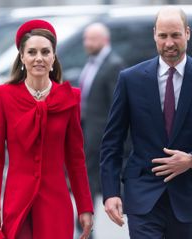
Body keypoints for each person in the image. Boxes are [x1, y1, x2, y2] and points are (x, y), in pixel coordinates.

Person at [100, 6, 192, 239]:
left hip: (188, 198)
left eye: (176, 35)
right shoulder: (130, 79)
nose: (169, 43)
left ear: (188, 33)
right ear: (154, 34)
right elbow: (112, 141)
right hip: (142, 197)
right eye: (163, 36)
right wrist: (111, 192)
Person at [0, 19, 93, 239]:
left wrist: (84, 207)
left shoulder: (69, 98)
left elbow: (75, 159)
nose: (39, 58)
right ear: (22, 57)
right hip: (17, 203)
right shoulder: (4, 96)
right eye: (32, 52)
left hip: (56, 203)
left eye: (45, 52)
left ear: (53, 57)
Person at [79, 23, 125, 214]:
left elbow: (117, 105)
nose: (87, 43)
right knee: (88, 177)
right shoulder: (92, 62)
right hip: (88, 129)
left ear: (104, 40)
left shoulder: (113, 65)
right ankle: (85, 219)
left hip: (100, 134)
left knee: (92, 177)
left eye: (91, 39)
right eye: (85, 39)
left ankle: (85, 220)